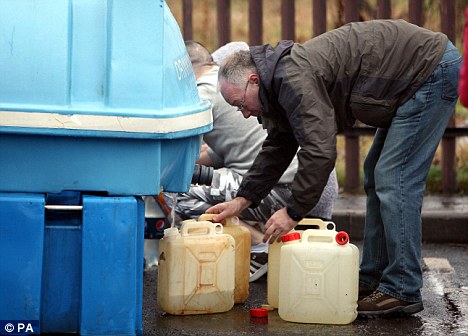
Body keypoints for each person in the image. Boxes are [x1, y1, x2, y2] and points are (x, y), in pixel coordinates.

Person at [206, 19, 461, 317]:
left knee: (394, 177)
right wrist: (242, 199)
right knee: (376, 173)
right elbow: (278, 146)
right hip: (413, 75)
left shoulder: (293, 79)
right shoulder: (275, 85)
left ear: (253, 80)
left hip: (429, 70)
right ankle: (374, 276)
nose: (245, 114)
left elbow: (320, 151)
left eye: (240, 104)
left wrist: (293, 212)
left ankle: (402, 288)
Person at [176, 40, 339, 282]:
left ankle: (259, 249)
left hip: (293, 192)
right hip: (318, 189)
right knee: (208, 177)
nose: (244, 114)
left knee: (179, 193)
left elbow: (172, 144)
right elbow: (224, 153)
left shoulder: (201, 90)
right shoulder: (242, 84)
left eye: (241, 106)